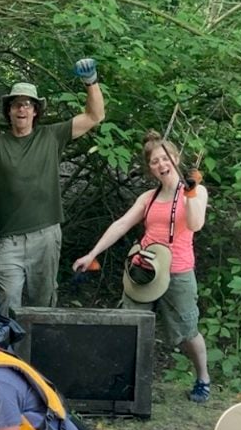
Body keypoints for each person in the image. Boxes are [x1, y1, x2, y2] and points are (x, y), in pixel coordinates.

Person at [72, 130, 212, 402]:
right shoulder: (148, 198)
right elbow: (122, 224)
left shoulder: (195, 192)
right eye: (154, 162)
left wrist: (192, 192)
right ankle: (126, 382)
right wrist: (92, 254)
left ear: (175, 157)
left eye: (165, 158)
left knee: (186, 332)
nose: (161, 165)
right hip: (143, 270)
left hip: (178, 271)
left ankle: (203, 378)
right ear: (150, 169)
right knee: (130, 325)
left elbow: (196, 224)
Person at [0, 59, 106, 316]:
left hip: (46, 236)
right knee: (7, 306)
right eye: (16, 105)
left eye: (27, 104)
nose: (21, 110)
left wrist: (91, 82)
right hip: (9, 242)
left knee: (43, 306)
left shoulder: (51, 136)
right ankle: (7, 355)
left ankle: (40, 354)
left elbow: (95, 116)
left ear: (35, 110)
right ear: (9, 111)